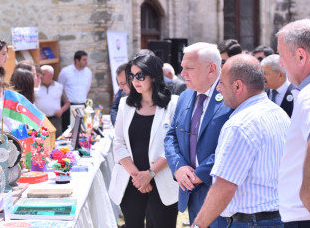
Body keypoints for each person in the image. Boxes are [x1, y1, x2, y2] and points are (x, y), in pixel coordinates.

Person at [192, 54, 290, 228]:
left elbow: (224, 187)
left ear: (237, 86)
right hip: (278, 218)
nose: (219, 89)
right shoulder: (279, 114)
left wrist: (198, 225)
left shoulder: (239, 125)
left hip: (251, 222)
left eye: (221, 83)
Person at [164, 42, 233, 227]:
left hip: (219, 193)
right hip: (190, 189)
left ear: (211, 69)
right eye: (182, 68)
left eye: (189, 68)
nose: (182, 73)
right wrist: (178, 167)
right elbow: (171, 135)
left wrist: (200, 173)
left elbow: (230, 145)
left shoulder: (231, 96)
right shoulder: (186, 95)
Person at [109, 54, 179, 228]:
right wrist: (137, 176)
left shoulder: (173, 104)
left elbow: (175, 145)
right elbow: (118, 142)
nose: (135, 81)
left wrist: (149, 174)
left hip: (161, 179)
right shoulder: (126, 104)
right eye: (131, 76)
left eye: (140, 76)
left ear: (154, 76)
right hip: (131, 181)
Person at [277, 19, 310, 227]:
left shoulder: (308, 95)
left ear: (300, 56)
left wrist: (306, 196)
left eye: (281, 55)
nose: (280, 62)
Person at [58, 50, 92, 131]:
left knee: (83, 129)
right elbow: (60, 87)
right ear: (77, 60)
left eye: (86, 59)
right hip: (69, 106)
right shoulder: (65, 71)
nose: (86, 62)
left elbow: (87, 87)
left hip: (83, 104)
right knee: (68, 130)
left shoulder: (88, 72)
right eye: (84, 60)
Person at [35, 65, 70, 137]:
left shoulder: (59, 87)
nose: (41, 76)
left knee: (56, 141)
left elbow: (67, 102)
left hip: (55, 120)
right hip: (40, 121)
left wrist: (61, 110)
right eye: (40, 74)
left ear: (51, 75)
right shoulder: (35, 86)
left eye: (43, 74)